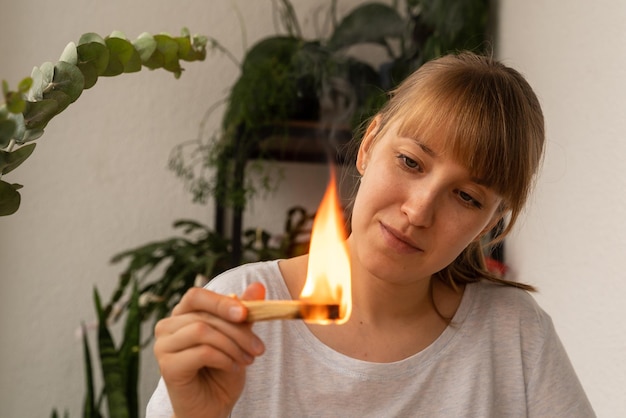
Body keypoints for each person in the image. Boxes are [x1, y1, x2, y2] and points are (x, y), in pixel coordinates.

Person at [146, 52, 595, 417]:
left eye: (466, 197)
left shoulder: (515, 334)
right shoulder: (238, 308)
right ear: (368, 146)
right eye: (411, 162)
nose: (418, 211)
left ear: (493, 221)